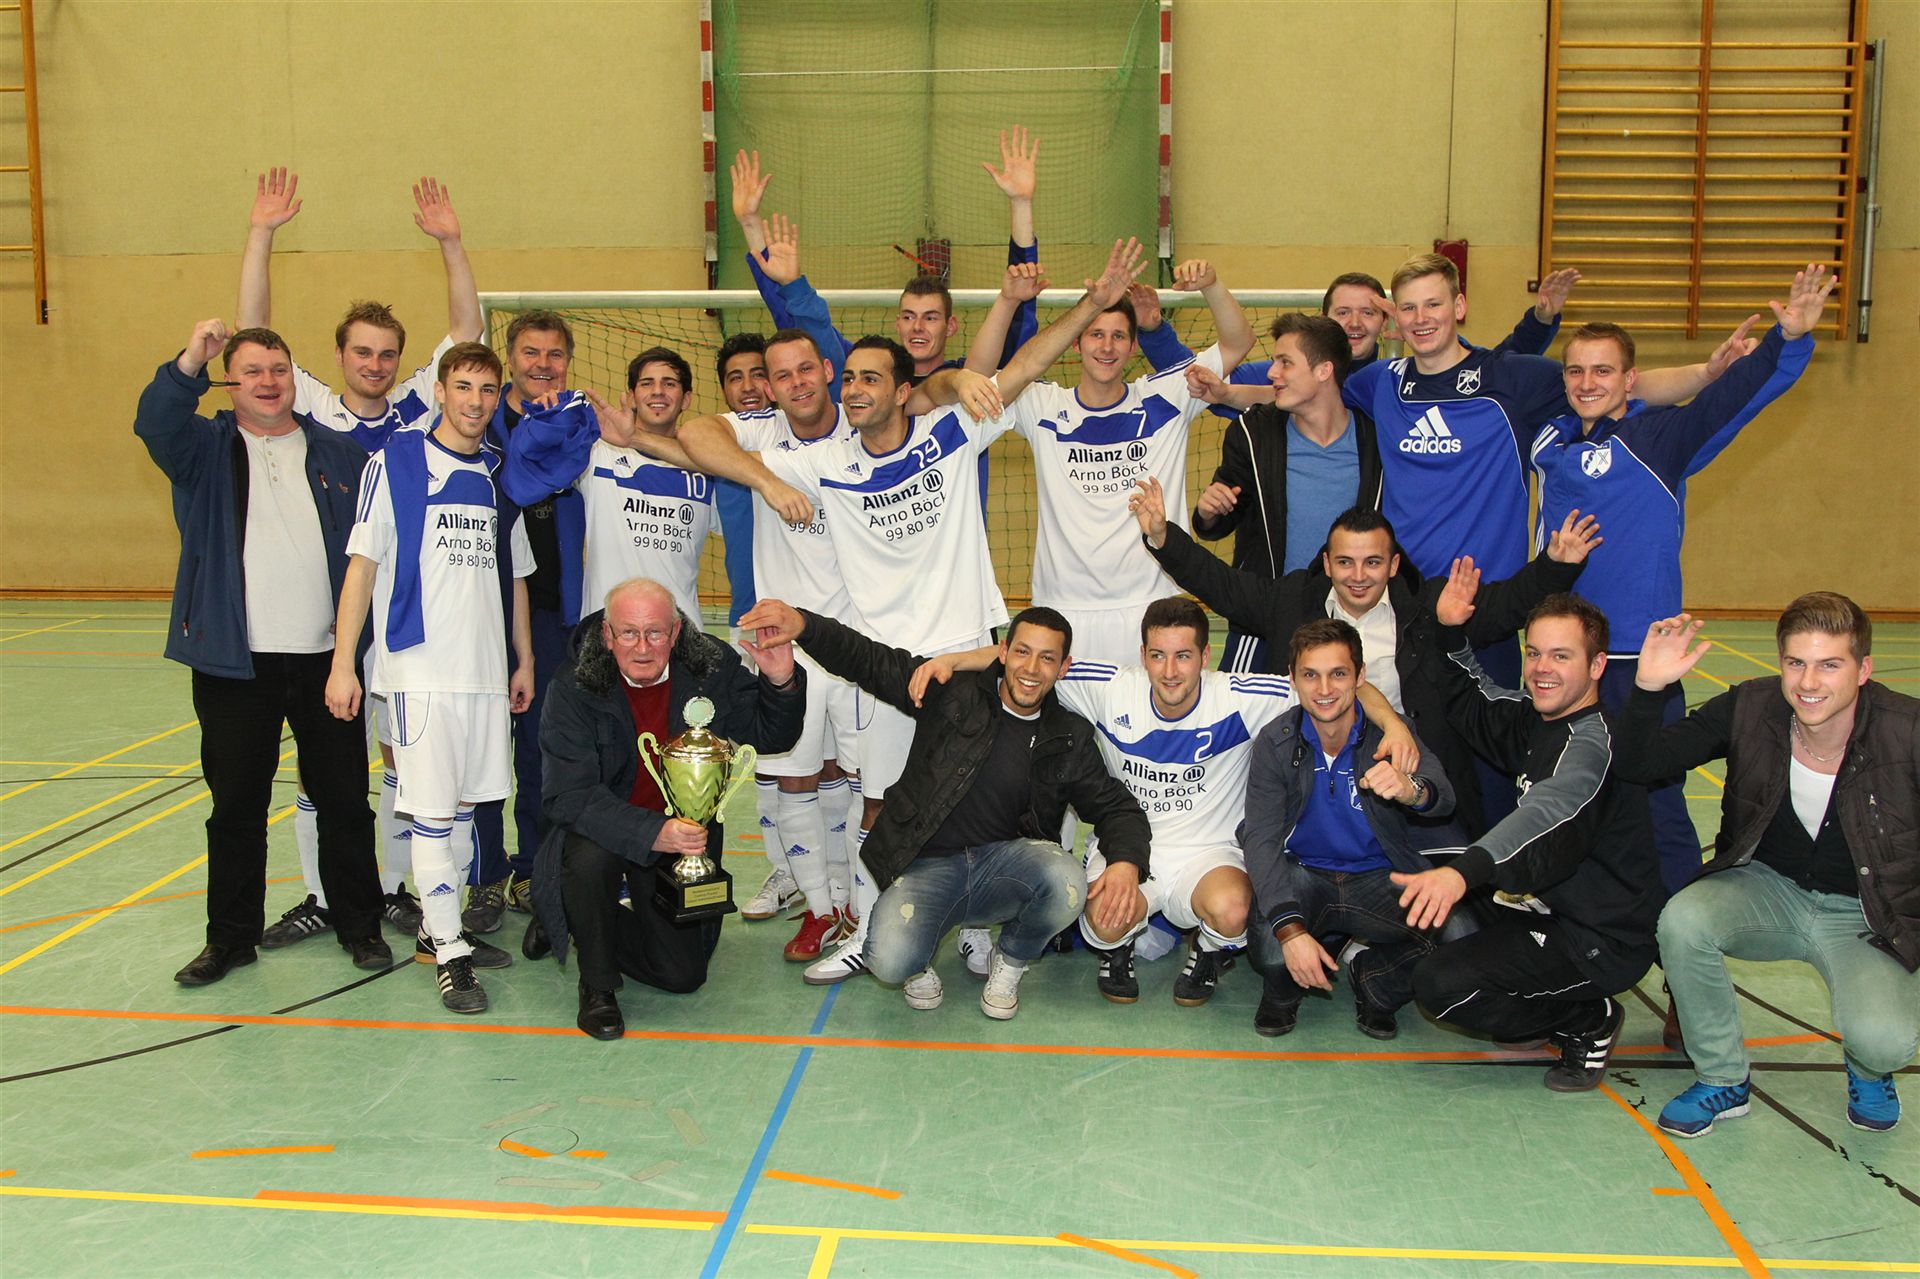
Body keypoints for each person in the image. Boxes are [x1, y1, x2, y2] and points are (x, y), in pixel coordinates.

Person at [657, 240, 1147, 982]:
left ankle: (981, 925)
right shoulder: (826, 461)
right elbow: (695, 437)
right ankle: (872, 928)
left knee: (983, 799)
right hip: (885, 666)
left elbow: (1025, 365)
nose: (854, 389)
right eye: (849, 377)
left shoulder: (951, 432)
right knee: (882, 805)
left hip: (964, 653)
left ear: (901, 390)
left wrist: (1091, 304)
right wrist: (767, 481)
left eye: (869, 378)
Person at [913, 597, 1415, 1007]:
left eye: (1183, 656)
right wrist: (951, 661)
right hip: (1129, 848)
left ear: (1206, 656)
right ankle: (1117, 951)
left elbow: (1340, 687)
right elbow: (1030, 661)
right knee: (1104, 919)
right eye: (1157, 655)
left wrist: (1394, 726)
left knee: (1234, 910)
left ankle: (1209, 953)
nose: (1170, 671)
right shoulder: (1109, 688)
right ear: (1142, 655)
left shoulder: (1242, 695)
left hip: (1209, 854)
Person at [1531, 266, 1835, 893]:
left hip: (1638, 659)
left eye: (1603, 371)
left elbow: (1735, 397)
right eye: (1575, 371)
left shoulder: (1660, 437)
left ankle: (1674, 917)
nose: (1587, 383)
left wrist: (1787, 339)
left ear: (1631, 380)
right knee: (1565, 786)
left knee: (1655, 796)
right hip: (1561, 655)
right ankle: (1575, 904)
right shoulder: (1549, 438)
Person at [240, 169, 483, 947]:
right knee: (324, 768)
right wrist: (261, 234)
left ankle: (401, 890)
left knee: (402, 763)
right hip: (335, 613)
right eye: (363, 352)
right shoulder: (313, 406)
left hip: (409, 618)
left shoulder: (419, 407)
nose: (375, 364)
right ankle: (323, 895)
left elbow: (469, 332)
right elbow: (252, 338)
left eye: (387, 355)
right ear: (340, 356)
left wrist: (451, 243)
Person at [740, 598, 1150, 1020]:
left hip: (1002, 871)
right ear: (1002, 652)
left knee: (1067, 881)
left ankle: (1009, 963)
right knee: (889, 961)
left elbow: (1117, 807)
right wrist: (805, 624)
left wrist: (1126, 862)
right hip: (926, 867)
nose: (1031, 669)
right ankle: (916, 964)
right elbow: (869, 660)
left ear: (1063, 668)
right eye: (1023, 652)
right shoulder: (953, 692)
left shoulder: (1068, 735)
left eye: (1047, 658)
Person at [136, 318, 388, 985]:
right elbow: (154, 422)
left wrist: (352, 650)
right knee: (236, 809)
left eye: (278, 370)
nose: (268, 382)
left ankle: (359, 924)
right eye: (252, 371)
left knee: (344, 802)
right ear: (229, 381)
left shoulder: (340, 453)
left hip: (325, 663)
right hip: (234, 663)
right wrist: (189, 359)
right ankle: (230, 940)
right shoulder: (202, 447)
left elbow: (366, 558)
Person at [1135, 483, 1595, 839]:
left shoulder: (1428, 606)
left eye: (1373, 563)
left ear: (1393, 566)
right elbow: (1221, 584)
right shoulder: (1292, 601)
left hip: (1412, 771)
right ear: (1327, 564)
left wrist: (1556, 564)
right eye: (1345, 563)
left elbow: (1506, 605)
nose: (1358, 576)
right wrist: (1162, 536)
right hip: (1315, 775)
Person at [1617, 600, 1918, 1137]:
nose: (1808, 683)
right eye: (1795, 663)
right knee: (1684, 919)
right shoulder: (1750, 707)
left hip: (1866, 915)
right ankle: (1722, 1078)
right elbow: (1640, 765)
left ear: (1863, 670)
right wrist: (1647, 689)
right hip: (1767, 886)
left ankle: (1869, 1068)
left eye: (1829, 665)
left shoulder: (1907, 731)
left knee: (1885, 1042)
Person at [325, 342, 536, 1014]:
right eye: (463, 386)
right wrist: (343, 663)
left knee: (469, 811)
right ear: (440, 391)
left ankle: (439, 929)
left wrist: (523, 659)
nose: (475, 401)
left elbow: (515, 575)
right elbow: (362, 567)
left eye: (487, 389)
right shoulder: (396, 461)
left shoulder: (502, 473)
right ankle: (449, 951)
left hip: (484, 673)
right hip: (420, 672)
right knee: (435, 816)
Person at [1395, 587, 1660, 1092]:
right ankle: (1537, 997)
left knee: (1440, 986)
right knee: (1420, 883)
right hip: (1541, 904)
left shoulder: (1592, 747)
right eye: (1534, 652)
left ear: (1597, 665)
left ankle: (1588, 1019)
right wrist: (1449, 630)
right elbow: (1474, 697)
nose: (1541, 668)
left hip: (1598, 936)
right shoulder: (1537, 717)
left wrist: (1462, 874)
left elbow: (1542, 816)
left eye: (1561, 656)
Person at [526, 579, 805, 1041]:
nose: (642, 648)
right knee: (589, 861)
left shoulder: (709, 668)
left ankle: (573, 915)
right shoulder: (573, 685)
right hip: (603, 828)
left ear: (675, 633)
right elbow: (568, 796)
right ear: (608, 635)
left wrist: (780, 683)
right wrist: (652, 830)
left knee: (682, 974)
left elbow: (770, 736)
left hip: (682, 834)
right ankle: (597, 983)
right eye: (629, 633)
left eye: (655, 633)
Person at [992, 258, 1254, 666]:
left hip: (1152, 606)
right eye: (1095, 334)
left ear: (1134, 347)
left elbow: (1237, 343)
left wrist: (1212, 284)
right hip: (1064, 608)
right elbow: (1008, 372)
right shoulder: (1041, 404)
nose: (1107, 347)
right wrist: (1082, 306)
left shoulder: (1166, 395)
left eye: (1118, 336)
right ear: (1076, 343)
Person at [1242, 618, 1456, 1039]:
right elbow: (1261, 839)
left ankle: (1377, 983)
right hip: (1305, 874)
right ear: (1293, 680)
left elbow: (1443, 798)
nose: (1324, 689)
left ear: (1359, 677)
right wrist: (1291, 931)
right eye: (1310, 675)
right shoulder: (1275, 741)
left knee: (1460, 933)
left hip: (1381, 877)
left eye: (1338, 674)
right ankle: (1282, 992)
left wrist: (1411, 790)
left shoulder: (1390, 736)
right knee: (1271, 948)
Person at [470, 309, 579, 932]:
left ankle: (537, 870)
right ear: (510, 357)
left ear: (568, 361)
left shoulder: (580, 424)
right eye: (531, 353)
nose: (543, 364)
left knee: (544, 750)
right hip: (483, 615)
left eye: (555, 354)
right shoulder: (480, 424)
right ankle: (484, 876)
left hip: (555, 616)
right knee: (484, 752)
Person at [1134, 268, 1569, 417]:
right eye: (1343, 313)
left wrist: (1541, 319)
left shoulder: (1399, 376)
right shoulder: (1284, 374)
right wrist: (1154, 331)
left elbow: (1496, 368)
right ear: (1322, 320)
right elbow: (1201, 380)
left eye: (1368, 312)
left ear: (1387, 320)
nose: (1355, 324)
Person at [501, 347, 717, 624]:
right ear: (631, 396)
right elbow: (525, 482)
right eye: (646, 383)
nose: (657, 391)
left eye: (669, 383)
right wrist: (546, 422)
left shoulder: (709, 469)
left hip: (680, 633)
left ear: (686, 399)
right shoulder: (598, 451)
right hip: (605, 633)